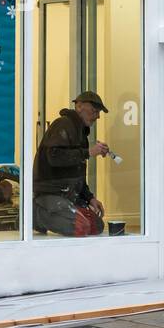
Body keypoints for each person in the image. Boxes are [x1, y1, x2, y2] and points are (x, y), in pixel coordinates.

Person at [32, 91, 111, 236]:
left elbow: (77, 174)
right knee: (80, 226)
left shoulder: (80, 133)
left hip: (67, 195)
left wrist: (90, 198)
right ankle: (37, 213)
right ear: (79, 106)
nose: (97, 116)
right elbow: (54, 157)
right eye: (94, 111)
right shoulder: (63, 124)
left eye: (98, 112)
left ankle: (59, 212)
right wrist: (88, 152)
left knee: (96, 226)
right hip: (51, 193)